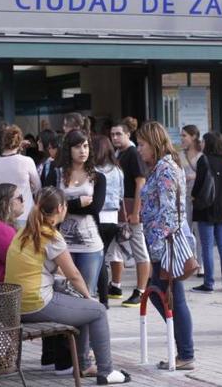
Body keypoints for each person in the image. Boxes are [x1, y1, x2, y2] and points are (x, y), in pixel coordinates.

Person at [5, 187, 131, 384]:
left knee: (82, 306)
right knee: (96, 310)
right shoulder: (51, 236)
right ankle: (106, 371)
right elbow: (74, 275)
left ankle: (82, 364)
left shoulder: (24, 232)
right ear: (62, 208)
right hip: (35, 303)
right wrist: (89, 297)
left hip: (15, 305)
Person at [137, 121, 196, 370]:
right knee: (161, 295)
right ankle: (182, 348)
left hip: (166, 244)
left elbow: (169, 212)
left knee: (173, 298)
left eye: (142, 144)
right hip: (159, 244)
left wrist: (159, 247)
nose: (139, 149)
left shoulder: (166, 168)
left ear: (154, 143)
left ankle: (186, 353)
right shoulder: (161, 167)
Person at [46, 130, 107, 295]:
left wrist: (63, 205)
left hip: (90, 243)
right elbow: (48, 206)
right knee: (64, 293)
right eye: (78, 147)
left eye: (86, 146)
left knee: (87, 293)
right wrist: (78, 202)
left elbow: (95, 208)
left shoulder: (98, 177)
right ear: (68, 149)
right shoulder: (56, 174)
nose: (83, 151)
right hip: (60, 243)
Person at [107, 121, 151, 307]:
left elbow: (140, 183)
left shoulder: (133, 153)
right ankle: (115, 285)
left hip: (132, 206)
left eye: (119, 134)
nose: (115, 137)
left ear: (127, 135)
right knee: (115, 246)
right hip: (119, 207)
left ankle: (141, 290)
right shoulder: (118, 153)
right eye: (113, 134)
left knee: (138, 247)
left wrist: (136, 211)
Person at [191, 132, 222, 293]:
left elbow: (198, 183)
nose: (201, 143)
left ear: (208, 143)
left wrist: (193, 197)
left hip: (206, 208)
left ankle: (208, 283)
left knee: (207, 246)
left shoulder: (204, 160)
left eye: (203, 141)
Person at [92, 135, 123, 306]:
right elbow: (121, 194)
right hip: (113, 218)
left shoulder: (93, 170)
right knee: (103, 257)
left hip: (98, 216)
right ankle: (104, 298)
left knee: (97, 257)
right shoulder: (118, 170)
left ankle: (98, 294)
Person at [0, 125, 41, 224]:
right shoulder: (27, 161)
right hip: (26, 212)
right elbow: (38, 187)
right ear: (19, 142)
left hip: (3, 213)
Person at [179, 125, 204, 276]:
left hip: (198, 197)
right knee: (185, 230)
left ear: (193, 137)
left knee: (199, 232)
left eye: (184, 136)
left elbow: (207, 175)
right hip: (183, 197)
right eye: (181, 135)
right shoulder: (180, 155)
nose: (182, 139)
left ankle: (200, 264)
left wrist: (194, 176)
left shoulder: (202, 156)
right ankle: (187, 262)